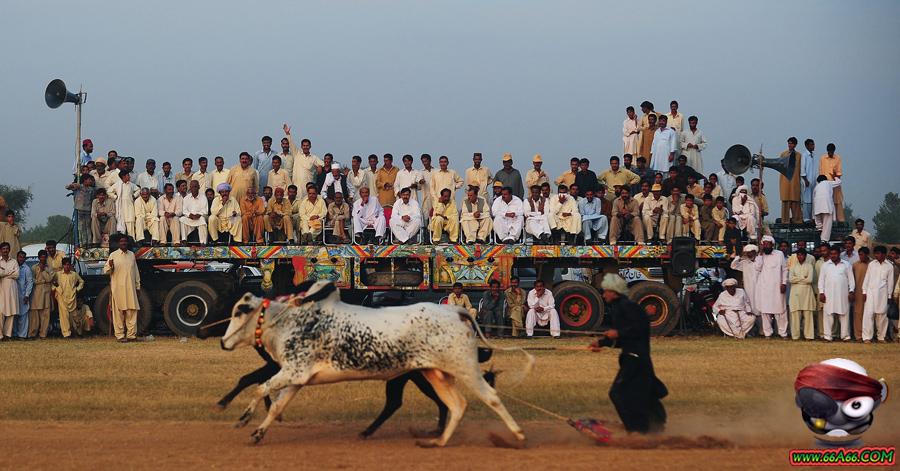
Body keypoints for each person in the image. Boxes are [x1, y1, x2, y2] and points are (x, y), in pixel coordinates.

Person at [590, 273, 667, 434]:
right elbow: (625, 337)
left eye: (605, 291)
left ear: (614, 291)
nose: (603, 295)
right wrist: (602, 343)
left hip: (636, 359)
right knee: (639, 393)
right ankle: (651, 427)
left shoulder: (627, 307)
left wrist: (618, 333)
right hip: (633, 358)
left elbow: (639, 328)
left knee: (618, 393)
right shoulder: (619, 308)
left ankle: (635, 430)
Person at [104, 235, 141, 342]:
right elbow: (106, 271)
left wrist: (138, 287)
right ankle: (120, 336)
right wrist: (110, 266)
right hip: (118, 290)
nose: (123, 243)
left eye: (125, 241)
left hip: (131, 289)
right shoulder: (113, 255)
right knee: (118, 314)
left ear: (127, 243)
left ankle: (131, 335)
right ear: (118, 244)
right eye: (121, 241)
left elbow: (136, 272)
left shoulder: (132, 255)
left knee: (132, 312)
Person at [754, 236, 788, 339]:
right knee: (765, 312)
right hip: (764, 288)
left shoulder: (779, 254)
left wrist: (784, 283)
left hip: (777, 287)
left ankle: (783, 333)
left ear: (772, 245)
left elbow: (785, 269)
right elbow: (757, 268)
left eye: (768, 244)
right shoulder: (760, 256)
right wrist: (760, 255)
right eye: (764, 244)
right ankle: (767, 333)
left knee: (780, 311)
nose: (766, 246)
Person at [818, 245, 855, 341]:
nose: (833, 255)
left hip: (843, 295)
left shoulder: (846, 264)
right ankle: (827, 336)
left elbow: (851, 280)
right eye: (831, 254)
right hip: (828, 295)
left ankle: (845, 336)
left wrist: (851, 291)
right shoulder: (825, 265)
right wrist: (821, 293)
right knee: (828, 315)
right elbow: (821, 281)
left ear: (839, 254)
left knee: (844, 315)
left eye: (835, 254)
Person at [862, 246, 894, 343]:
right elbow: (867, 278)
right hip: (870, 293)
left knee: (882, 315)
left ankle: (881, 337)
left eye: (878, 253)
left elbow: (890, 282)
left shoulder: (889, 266)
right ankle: (867, 337)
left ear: (884, 254)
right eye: (875, 253)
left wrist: (889, 296)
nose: (876, 255)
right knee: (868, 315)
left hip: (883, 294)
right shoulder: (872, 264)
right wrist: (864, 291)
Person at [788, 248, 817, 340]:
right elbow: (790, 279)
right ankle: (795, 336)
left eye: (802, 255)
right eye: (798, 255)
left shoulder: (809, 266)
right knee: (795, 316)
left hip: (807, 293)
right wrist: (803, 278)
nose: (800, 257)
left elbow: (810, 280)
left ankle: (809, 336)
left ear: (805, 256)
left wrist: (797, 279)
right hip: (795, 293)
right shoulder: (793, 267)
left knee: (808, 315)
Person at [53, 258, 83, 338]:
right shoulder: (58, 274)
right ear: (62, 265)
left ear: (70, 265)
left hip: (72, 297)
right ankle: (66, 334)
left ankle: (77, 332)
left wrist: (77, 289)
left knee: (75, 316)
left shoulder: (74, 274)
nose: (67, 266)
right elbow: (52, 283)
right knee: (64, 317)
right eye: (65, 265)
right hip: (62, 297)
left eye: (68, 264)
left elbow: (81, 281)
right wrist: (57, 288)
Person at [777, 137, 803, 224]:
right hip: (785, 181)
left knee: (795, 201)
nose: (790, 145)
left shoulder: (799, 155)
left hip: (795, 181)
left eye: (791, 143)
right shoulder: (783, 154)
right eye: (789, 143)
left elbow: (800, 169)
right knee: (785, 201)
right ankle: (785, 221)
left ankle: (797, 220)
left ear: (795, 145)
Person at [28, 250, 53, 339]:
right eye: (41, 257)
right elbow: (32, 280)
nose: (43, 259)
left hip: (46, 293)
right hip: (36, 294)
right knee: (34, 316)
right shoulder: (34, 267)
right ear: (39, 258)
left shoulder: (49, 268)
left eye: (44, 257)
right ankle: (32, 334)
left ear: (46, 258)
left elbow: (50, 279)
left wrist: (43, 271)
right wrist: (41, 281)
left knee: (45, 315)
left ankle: (43, 334)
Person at [818, 143, 844, 223]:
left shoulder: (838, 158)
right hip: (825, 184)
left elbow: (839, 173)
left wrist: (835, 177)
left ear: (834, 151)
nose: (830, 153)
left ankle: (840, 220)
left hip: (834, 182)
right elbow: (820, 172)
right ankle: (826, 220)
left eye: (832, 152)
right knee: (826, 201)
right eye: (829, 152)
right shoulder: (822, 158)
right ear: (827, 151)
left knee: (837, 200)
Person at [812, 175, 841, 241]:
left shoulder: (816, 187)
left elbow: (813, 199)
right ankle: (824, 240)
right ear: (826, 179)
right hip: (827, 206)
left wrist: (813, 215)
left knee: (819, 223)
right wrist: (835, 177)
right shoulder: (828, 183)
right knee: (827, 224)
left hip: (817, 207)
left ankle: (819, 228)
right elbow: (839, 182)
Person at [0, 242, 19, 339]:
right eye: (3, 249)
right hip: (1, 291)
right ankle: (0, 335)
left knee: (11, 313)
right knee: (1, 313)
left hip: (12, 291)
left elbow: (16, 275)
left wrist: (4, 272)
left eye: (7, 248)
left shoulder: (14, 262)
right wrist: (9, 272)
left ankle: (7, 334)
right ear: (0, 250)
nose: (5, 250)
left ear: (9, 249)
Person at [180, 180, 209, 244]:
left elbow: (205, 210)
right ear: (190, 188)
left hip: (199, 218)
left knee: (202, 220)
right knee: (182, 219)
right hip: (190, 218)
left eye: (195, 186)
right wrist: (190, 215)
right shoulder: (186, 198)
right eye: (192, 187)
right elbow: (184, 210)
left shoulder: (203, 197)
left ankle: (203, 242)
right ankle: (184, 240)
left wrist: (198, 215)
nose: (194, 188)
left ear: (199, 187)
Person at [852, 247, 870, 341]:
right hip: (858, 292)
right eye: (859, 254)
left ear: (867, 254)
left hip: (871, 292)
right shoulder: (855, 265)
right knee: (858, 313)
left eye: (862, 254)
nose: (860, 256)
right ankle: (858, 336)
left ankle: (869, 335)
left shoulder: (872, 264)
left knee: (869, 314)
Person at [13, 250, 31, 339]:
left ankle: (22, 335)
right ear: (17, 257)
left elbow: (29, 283)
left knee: (23, 316)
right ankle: (14, 334)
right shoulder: (13, 266)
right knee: (14, 315)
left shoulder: (27, 269)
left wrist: (27, 295)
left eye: (23, 257)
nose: (22, 259)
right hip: (13, 295)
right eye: (20, 257)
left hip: (23, 295)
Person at [801, 139, 816, 222]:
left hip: (813, 181)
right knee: (806, 200)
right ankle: (806, 218)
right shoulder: (804, 155)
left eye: (813, 144)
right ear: (807, 146)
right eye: (811, 145)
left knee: (812, 199)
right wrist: (805, 180)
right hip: (806, 181)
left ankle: (811, 217)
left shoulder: (812, 155)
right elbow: (802, 169)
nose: (813, 146)